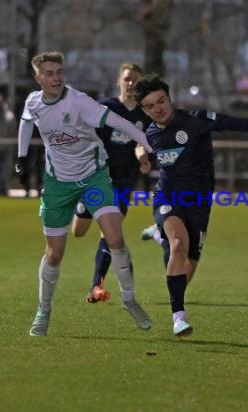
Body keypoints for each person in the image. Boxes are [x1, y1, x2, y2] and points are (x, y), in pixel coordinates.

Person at [133, 73, 248, 337]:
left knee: (188, 267)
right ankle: (178, 318)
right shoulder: (150, 133)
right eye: (150, 106)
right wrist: (143, 157)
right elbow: (140, 144)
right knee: (179, 244)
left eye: (161, 101)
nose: (157, 109)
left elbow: (240, 123)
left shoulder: (196, 121)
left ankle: (161, 238)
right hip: (168, 198)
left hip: (200, 202)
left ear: (169, 99)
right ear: (144, 110)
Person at [16, 51, 153, 336]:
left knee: (115, 237)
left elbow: (122, 123)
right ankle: (44, 310)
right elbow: (26, 120)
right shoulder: (33, 101)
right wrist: (21, 155)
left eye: (59, 72)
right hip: (58, 185)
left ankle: (129, 299)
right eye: (49, 73)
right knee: (54, 254)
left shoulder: (78, 101)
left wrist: (148, 144)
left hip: (94, 179)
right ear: (38, 78)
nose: (56, 78)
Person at [70, 63, 152, 303]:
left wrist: (145, 159)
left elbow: (146, 147)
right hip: (96, 178)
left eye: (135, 80)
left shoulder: (144, 115)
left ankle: (96, 285)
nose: (130, 83)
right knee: (79, 231)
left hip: (123, 183)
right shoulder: (106, 108)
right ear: (119, 81)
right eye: (127, 79)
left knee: (109, 232)